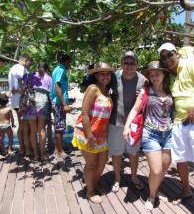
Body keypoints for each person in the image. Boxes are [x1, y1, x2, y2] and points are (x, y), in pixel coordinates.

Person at [158, 42, 194, 213]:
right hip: (180, 122)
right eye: (163, 58)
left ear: (176, 53)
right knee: (181, 159)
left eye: (169, 54)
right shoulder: (170, 75)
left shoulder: (193, 65)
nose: (167, 59)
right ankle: (186, 190)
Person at [123, 61, 173, 211]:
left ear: (164, 74)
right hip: (150, 134)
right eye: (151, 74)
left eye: (157, 73)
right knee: (156, 170)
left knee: (164, 168)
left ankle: (155, 188)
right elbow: (134, 110)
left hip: (169, 134)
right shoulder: (146, 91)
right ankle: (151, 195)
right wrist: (126, 127)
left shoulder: (171, 91)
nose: (154, 76)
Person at [72, 62, 115, 203]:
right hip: (88, 132)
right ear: (95, 75)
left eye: (108, 74)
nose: (106, 76)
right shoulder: (92, 89)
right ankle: (90, 191)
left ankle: (94, 184)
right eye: (102, 73)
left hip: (101, 134)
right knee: (91, 164)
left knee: (103, 162)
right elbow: (84, 114)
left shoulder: (106, 90)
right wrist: (89, 135)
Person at [108, 51, 146, 193]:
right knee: (116, 153)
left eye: (132, 63)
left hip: (134, 124)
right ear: (121, 64)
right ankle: (117, 178)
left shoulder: (143, 80)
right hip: (115, 122)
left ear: (137, 64)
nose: (129, 66)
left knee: (133, 152)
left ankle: (134, 177)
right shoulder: (114, 77)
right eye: (126, 62)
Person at [22, 62, 52, 161]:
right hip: (43, 100)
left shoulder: (29, 75)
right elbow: (50, 93)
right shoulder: (48, 78)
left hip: (31, 100)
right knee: (41, 130)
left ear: (37, 67)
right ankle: (43, 154)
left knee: (33, 130)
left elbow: (23, 87)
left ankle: (35, 154)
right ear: (46, 69)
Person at [8, 54, 32, 155]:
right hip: (22, 102)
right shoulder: (21, 69)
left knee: (21, 125)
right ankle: (27, 150)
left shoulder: (13, 68)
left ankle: (22, 148)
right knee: (25, 126)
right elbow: (27, 85)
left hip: (15, 102)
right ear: (26, 60)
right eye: (30, 63)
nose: (30, 65)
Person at [50, 52, 71, 159]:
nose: (70, 66)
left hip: (57, 102)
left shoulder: (56, 69)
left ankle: (57, 148)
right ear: (66, 62)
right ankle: (60, 151)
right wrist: (64, 103)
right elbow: (57, 87)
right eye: (69, 63)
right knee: (59, 127)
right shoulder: (61, 70)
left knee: (59, 126)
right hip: (58, 103)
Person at [0, 93, 15, 158]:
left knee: (1, 138)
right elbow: (12, 118)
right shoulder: (8, 109)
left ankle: (3, 150)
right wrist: (13, 124)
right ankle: (9, 149)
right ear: (7, 101)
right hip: (7, 125)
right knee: (11, 137)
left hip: (0, 126)